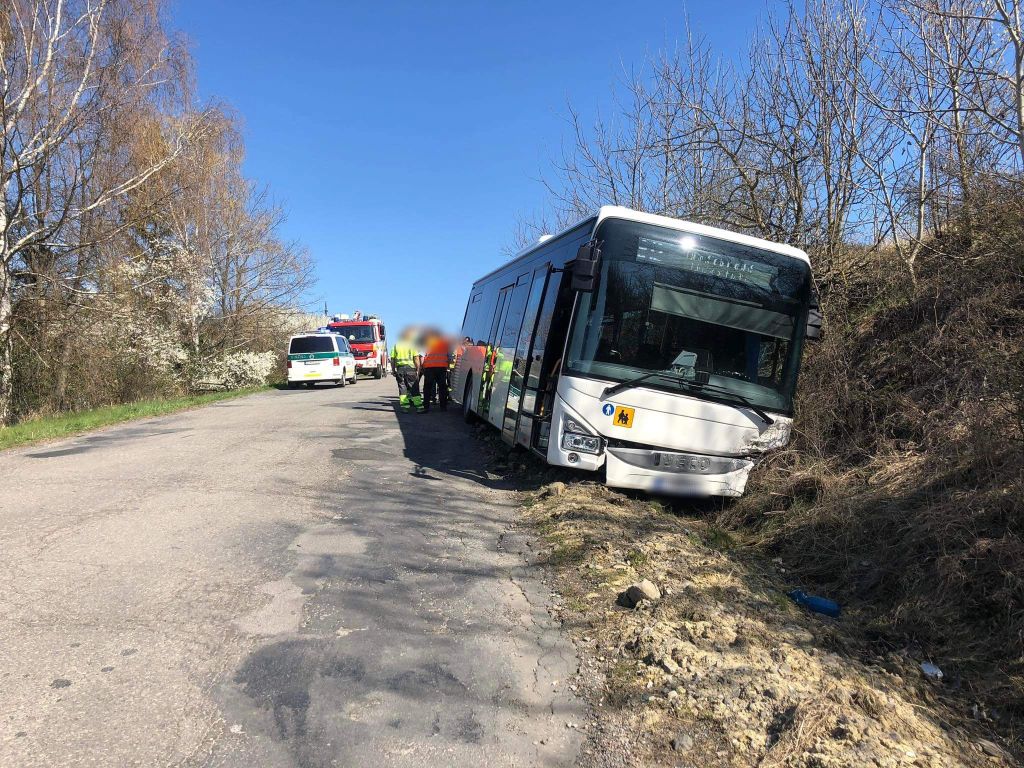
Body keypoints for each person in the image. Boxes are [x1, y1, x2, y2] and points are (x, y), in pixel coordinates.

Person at [390, 327, 424, 413]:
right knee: (414, 388)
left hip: (400, 369)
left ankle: (405, 407)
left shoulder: (396, 345)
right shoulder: (412, 345)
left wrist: (393, 370)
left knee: (402, 388)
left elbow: (392, 359)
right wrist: (418, 369)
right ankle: (419, 407)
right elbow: (416, 358)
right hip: (411, 369)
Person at [421, 329, 452, 411]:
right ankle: (443, 407)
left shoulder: (427, 341)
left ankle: (426, 406)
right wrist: (448, 365)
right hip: (441, 368)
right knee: (442, 387)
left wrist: (422, 367)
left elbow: (422, 355)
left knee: (427, 387)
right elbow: (449, 356)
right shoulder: (445, 342)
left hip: (429, 368)